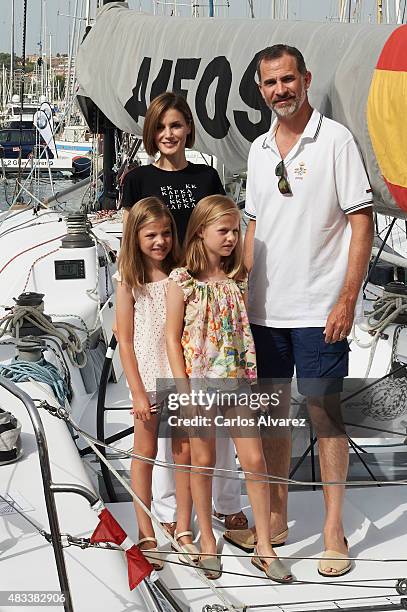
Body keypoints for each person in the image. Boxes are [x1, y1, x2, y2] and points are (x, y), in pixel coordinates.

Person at [242, 44, 374, 577]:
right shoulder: (256, 149)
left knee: (324, 414)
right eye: (271, 83)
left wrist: (346, 298)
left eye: (288, 80)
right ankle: (274, 515)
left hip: (321, 309)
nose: (281, 90)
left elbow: (360, 223)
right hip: (263, 309)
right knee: (272, 417)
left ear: (305, 78)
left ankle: (333, 527)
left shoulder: (336, 141)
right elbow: (253, 227)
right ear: (261, 88)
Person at [121, 91, 248, 536]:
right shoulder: (137, 179)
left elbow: (222, 227)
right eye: (160, 127)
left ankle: (226, 502)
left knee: (214, 405)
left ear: (188, 128)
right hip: (159, 295)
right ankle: (176, 512)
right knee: (176, 419)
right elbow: (130, 237)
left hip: (202, 300)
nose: (168, 134)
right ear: (150, 132)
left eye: (176, 125)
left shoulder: (206, 174)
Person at [166, 195, 293, 582]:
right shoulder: (182, 280)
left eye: (235, 231)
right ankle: (207, 540)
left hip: (237, 380)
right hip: (200, 382)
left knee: (253, 460)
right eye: (223, 230)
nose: (231, 238)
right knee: (202, 461)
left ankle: (264, 546)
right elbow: (172, 339)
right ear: (200, 231)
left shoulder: (237, 278)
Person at [115, 197, 199, 569]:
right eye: (151, 234)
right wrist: (135, 390)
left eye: (166, 233)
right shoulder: (127, 280)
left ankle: (182, 526)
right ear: (136, 237)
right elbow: (126, 340)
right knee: (144, 453)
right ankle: (146, 528)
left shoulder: (181, 275)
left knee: (183, 454)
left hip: (179, 375)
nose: (160, 241)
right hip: (147, 377)